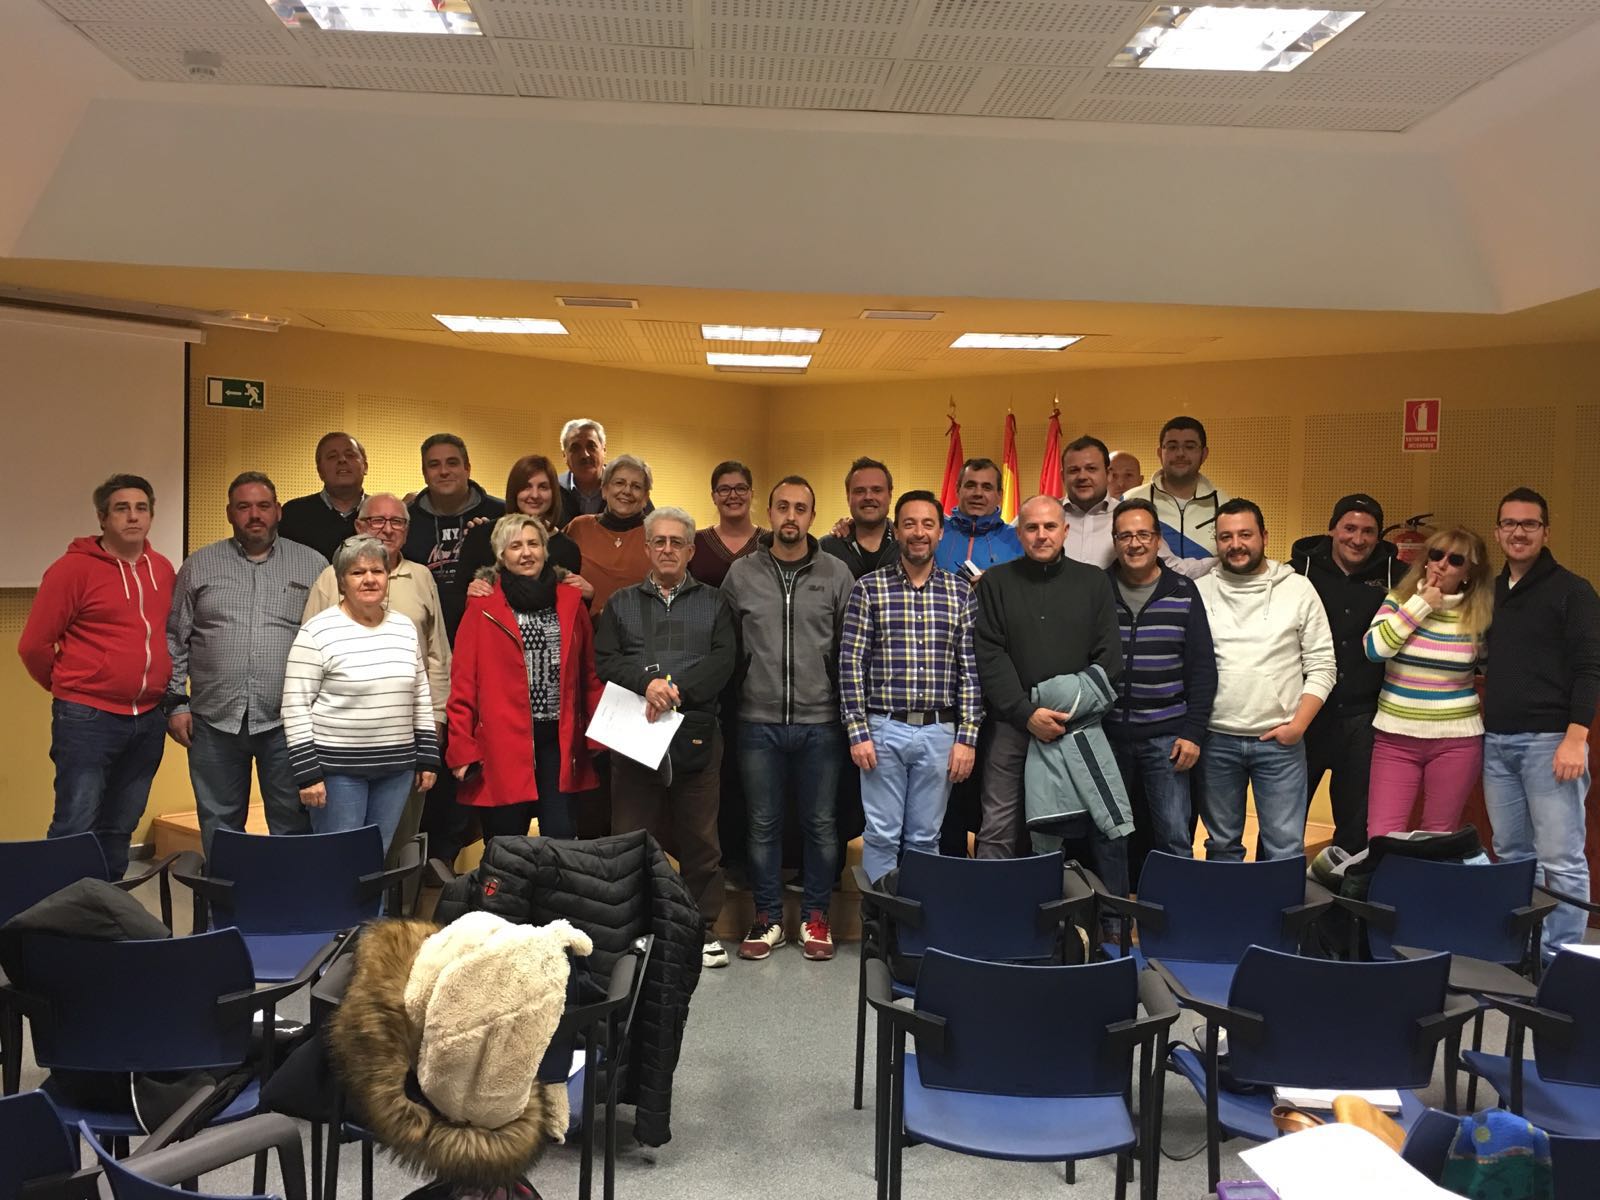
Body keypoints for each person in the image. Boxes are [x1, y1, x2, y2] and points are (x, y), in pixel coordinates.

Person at [595, 507, 737, 969]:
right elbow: (606, 660)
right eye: (660, 541)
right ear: (647, 547)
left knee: (701, 840)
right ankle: (635, 929)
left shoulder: (714, 602)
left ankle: (700, 930)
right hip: (634, 731)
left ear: (692, 550)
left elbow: (724, 660)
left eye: (678, 542)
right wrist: (646, 683)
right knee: (631, 837)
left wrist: (675, 692)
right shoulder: (620, 603)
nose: (668, 549)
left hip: (695, 734)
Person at [720, 477, 854, 963]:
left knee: (821, 824)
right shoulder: (741, 574)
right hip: (757, 721)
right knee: (762, 825)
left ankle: (816, 918)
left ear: (812, 516)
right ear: (770, 513)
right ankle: (768, 918)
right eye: (782, 507)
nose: (791, 516)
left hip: (822, 722)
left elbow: (850, 649)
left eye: (800, 507)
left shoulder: (837, 573)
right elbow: (727, 645)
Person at [18, 474, 175, 879]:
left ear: (151, 516)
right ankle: (61, 910)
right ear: (103, 518)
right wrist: (72, 688)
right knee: (75, 822)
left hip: (148, 718)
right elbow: (33, 645)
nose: (133, 517)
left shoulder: (161, 569)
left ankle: (106, 905)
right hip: (87, 720)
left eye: (141, 508)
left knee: (120, 826)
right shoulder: (71, 570)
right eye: (121, 509)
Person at [165, 471, 327, 856]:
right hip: (212, 721)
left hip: (287, 722)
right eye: (244, 507)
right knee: (219, 823)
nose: (255, 515)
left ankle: (289, 894)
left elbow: (329, 640)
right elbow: (175, 638)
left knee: (292, 821)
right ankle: (227, 895)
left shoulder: (313, 565)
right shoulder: (199, 565)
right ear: (229, 513)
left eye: (263, 506)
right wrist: (176, 703)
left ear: (278, 511)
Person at [973, 495, 1124, 882]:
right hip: (1011, 725)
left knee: (1088, 827)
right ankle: (988, 908)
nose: (1041, 535)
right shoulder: (996, 583)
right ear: (1019, 534)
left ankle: (1066, 909)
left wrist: (1062, 712)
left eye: (1050, 526)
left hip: (1074, 727)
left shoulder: (1094, 582)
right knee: (998, 825)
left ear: (1065, 531)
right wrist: (1026, 714)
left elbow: (1108, 659)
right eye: (1032, 527)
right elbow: (990, 655)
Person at [839, 490, 983, 883]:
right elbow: (851, 665)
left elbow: (970, 672)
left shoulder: (960, 593)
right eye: (909, 524)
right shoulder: (868, 589)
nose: (919, 532)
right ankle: (879, 918)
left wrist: (967, 738)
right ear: (897, 531)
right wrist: (858, 733)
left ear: (940, 533)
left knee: (925, 838)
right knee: (881, 835)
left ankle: (918, 916)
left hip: (940, 732)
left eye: (927, 524)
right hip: (882, 730)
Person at [1481, 487, 1600, 962]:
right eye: (1510, 523)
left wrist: (1576, 737)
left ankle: (1560, 959)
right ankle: (1522, 953)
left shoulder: (1573, 591)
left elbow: (1590, 669)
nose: (1519, 532)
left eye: (1529, 524)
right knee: (1511, 856)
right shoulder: (1492, 593)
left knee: (1561, 859)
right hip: (1497, 743)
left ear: (1546, 532)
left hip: (1551, 743)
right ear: (1498, 532)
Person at [303, 493, 453, 862]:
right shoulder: (331, 578)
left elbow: (437, 655)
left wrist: (436, 718)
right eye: (376, 521)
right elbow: (308, 660)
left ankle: (396, 901)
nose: (386, 529)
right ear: (358, 526)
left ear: (407, 530)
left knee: (400, 837)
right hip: (343, 741)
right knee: (343, 845)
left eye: (396, 521)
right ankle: (345, 901)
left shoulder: (421, 577)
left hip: (405, 735)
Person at [447, 514, 602, 843]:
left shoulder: (571, 602)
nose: (526, 553)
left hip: (559, 740)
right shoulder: (482, 607)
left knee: (561, 836)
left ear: (546, 550)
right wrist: (461, 747)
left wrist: (597, 736)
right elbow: (462, 685)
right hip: (501, 743)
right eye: (515, 546)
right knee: (506, 843)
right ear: (501, 555)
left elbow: (588, 674)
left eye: (534, 544)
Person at [1195, 499, 1335, 862]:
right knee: (1221, 846)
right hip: (1216, 740)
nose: (1235, 544)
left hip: (1279, 743)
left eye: (1245, 534)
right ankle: (1226, 903)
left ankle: (1278, 905)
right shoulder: (1199, 591)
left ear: (1264, 537)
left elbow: (1323, 665)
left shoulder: (1298, 589)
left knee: (1284, 848)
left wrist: (1297, 726)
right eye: (1225, 536)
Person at [282, 535, 438, 849]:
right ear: (342, 582)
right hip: (337, 773)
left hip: (396, 770)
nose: (369, 579)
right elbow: (295, 706)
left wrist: (428, 757)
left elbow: (420, 694)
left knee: (376, 856)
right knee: (339, 860)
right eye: (357, 572)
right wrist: (308, 774)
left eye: (377, 571)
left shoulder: (404, 628)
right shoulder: (317, 631)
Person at [1103, 497, 1216, 860]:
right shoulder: (1098, 590)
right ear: (1115, 541)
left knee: (1173, 835)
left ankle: (1175, 899)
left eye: (1143, 535)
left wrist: (1193, 733)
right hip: (1107, 735)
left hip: (1167, 737)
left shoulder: (1183, 591)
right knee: (1108, 835)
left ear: (1157, 540)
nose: (1134, 544)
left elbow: (1202, 668)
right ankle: (1112, 901)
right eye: (1125, 536)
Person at [1362, 527, 1491, 840]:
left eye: (1455, 560)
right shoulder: (1399, 601)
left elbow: (1493, 668)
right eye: (1436, 554)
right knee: (1381, 835)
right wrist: (1420, 604)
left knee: (1437, 836)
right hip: (1395, 738)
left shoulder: (1478, 615)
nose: (1442, 564)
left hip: (1456, 740)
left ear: (1468, 573)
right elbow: (1375, 650)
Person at [1290, 494, 1402, 852]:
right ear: (1332, 530)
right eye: (1349, 528)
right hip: (1305, 715)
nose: (1358, 538)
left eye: (1368, 531)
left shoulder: (1399, 578)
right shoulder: (1297, 573)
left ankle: (1346, 888)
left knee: (1356, 828)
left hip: (1364, 720)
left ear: (1379, 537)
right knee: (1284, 823)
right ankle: (1273, 885)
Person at [402, 433, 507, 640]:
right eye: (434, 465)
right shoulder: (406, 520)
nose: (444, 471)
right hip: (424, 634)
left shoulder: (502, 514)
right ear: (424, 473)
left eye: (452, 463)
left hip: (490, 630)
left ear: (467, 468)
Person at [454, 454, 586, 605]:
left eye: (543, 487)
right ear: (514, 491)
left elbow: (572, 606)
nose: (535, 495)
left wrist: (588, 595)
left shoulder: (568, 549)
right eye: (526, 487)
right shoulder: (481, 536)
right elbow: (458, 597)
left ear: (554, 493)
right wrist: (470, 593)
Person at [1123, 416, 1231, 578]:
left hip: (1209, 593)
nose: (1180, 453)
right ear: (1160, 453)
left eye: (1190, 446)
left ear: (1204, 454)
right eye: (1172, 447)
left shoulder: (1224, 504)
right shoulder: (1130, 500)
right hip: (1149, 594)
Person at [564, 455, 653, 614]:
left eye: (636, 486)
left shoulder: (658, 534)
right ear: (604, 490)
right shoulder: (578, 527)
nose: (627, 491)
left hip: (641, 627)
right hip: (584, 625)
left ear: (646, 497)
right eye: (619, 483)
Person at [279, 432, 369, 561]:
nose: (342, 460)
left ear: (365, 467)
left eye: (350, 455)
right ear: (320, 471)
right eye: (332, 456)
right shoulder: (293, 514)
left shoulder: (384, 514)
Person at [934, 458, 1022, 576]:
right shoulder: (934, 533)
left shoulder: (1018, 540)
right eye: (970, 486)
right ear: (957, 490)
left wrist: (995, 582)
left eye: (987, 487)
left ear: (999, 495)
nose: (978, 493)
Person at [820, 457, 898, 579]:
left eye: (877, 490)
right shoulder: (826, 549)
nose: (868, 497)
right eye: (859, 491)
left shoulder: (906, 546)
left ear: (890, 495)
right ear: (848, 497)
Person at [689, 460, 762, 588]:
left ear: (752, 494)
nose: (733, 495)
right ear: (713, 497)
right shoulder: (695, 543)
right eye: (724, 489)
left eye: (741, 488)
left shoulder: (771, 543)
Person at [1061, 435, 1117, 568]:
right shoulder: (1039, 518)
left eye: (1091, 469)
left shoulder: (1129, 517)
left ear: (1108, 474)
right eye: (1074, 470)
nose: (1082, 476)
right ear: (1062, 477)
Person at [557, 418, 608, 522]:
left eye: (591, 446)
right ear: (564, 456)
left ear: (604, 450)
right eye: (575, 448)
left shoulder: (624, 487)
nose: (585, 455)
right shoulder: (554, 491)